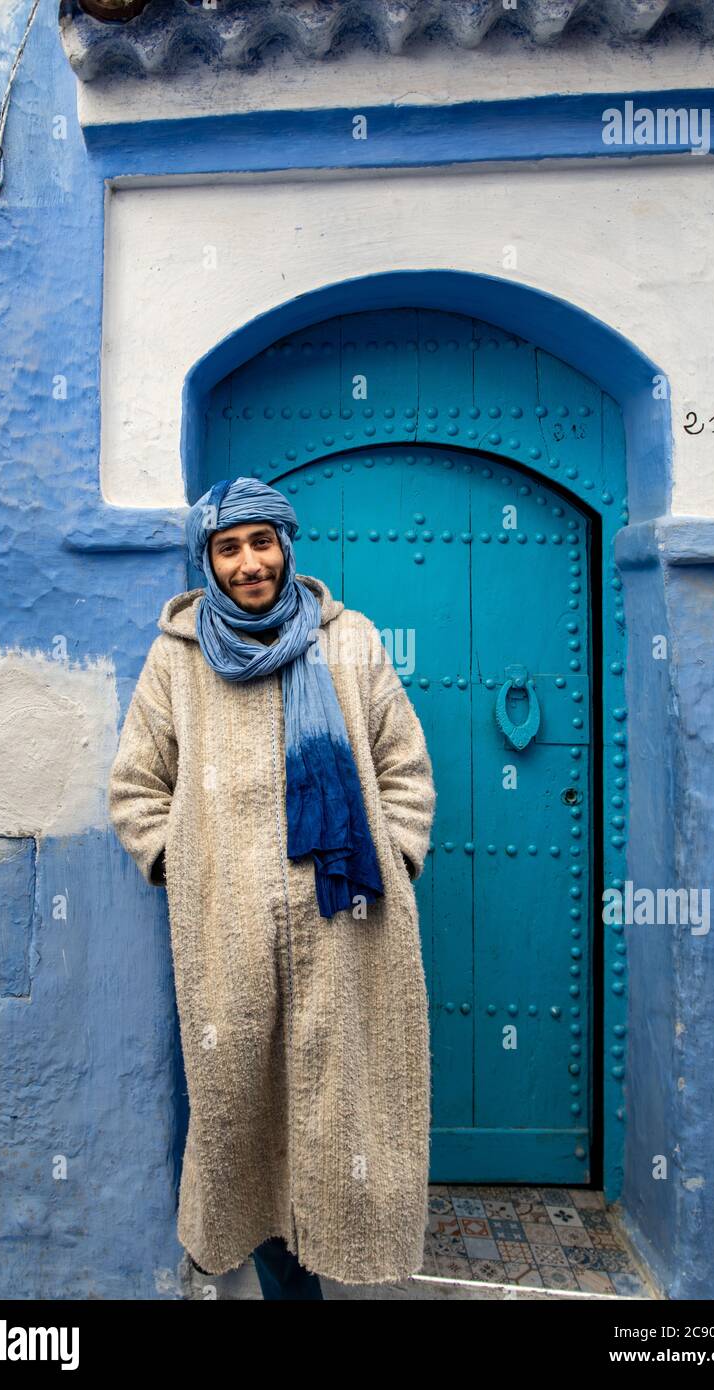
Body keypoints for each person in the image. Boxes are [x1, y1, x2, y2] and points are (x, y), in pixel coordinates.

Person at [108, 476, 436, 1299]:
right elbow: (136, 789)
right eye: (229, 548)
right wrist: (189, 868)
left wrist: (389, 858)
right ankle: (281, 1284)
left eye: (262, 543)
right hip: (228, 937)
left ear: (287, 546)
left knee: (342, 1112)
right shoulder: (178, 658)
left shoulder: (348, 639)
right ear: (208, 561)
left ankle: (332, 1263)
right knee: (240, 1117)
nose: (249, 564)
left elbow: (406, 769)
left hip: (350, 928)